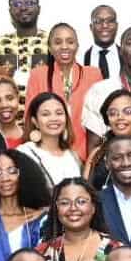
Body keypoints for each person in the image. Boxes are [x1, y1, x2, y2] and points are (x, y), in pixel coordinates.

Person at [24, 23, 103, 161]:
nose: (64, 46)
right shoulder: (38, 75)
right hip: (47, 154)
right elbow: (30, 118)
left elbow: (100, 121)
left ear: (77, 46)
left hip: (85, 155)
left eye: (70, 42)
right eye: (58, 42)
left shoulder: (93, 74)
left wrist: (91, 160)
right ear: (50, 48)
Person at [0, 0, 48, 108]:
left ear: (39, 9)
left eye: (29, 2)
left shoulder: (52, 42)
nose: (23, 8)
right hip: (5, 119)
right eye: (16, 4)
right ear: (10, 11)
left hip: (44, 117)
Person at [17, 92, 82, 188]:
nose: (54, 118)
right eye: (46, 114)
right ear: (35, 121)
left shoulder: (73, 156)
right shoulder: (24, 153)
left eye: (59, 113)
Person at [82, 4, 121, 79]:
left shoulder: (127, 56)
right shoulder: (81, 58)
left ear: (116, 26)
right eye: (98, 21)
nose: (105, 25)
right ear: (91, 27)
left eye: (110, 21)